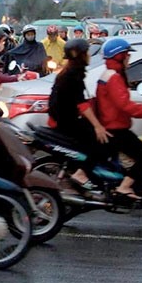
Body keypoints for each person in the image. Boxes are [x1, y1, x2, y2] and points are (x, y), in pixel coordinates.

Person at [47, 39, 111, 191]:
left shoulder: (70, 72)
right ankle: (82, 173)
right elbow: (81, 104)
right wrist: (97, 126)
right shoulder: (73, 74)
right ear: (80, 55)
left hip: (62, 118)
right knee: (102, 141)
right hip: (66, 121)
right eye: (86, 52)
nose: (89, 55)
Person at [96, 38, 142, 200]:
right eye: (127, 56)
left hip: (111, 125)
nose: (129, 60)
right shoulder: (115, 78)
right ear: (119, 57)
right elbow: (125, 104)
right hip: (117, 129)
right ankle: (125, 186)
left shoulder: (109, 74)